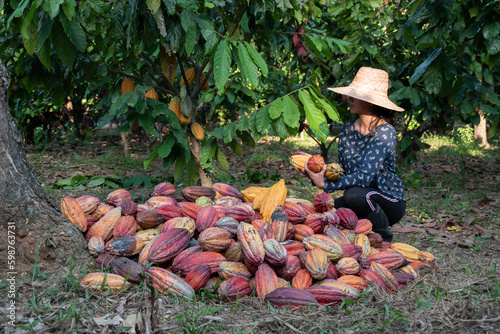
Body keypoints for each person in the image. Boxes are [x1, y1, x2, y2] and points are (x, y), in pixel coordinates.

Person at [297, 67, 406, 242]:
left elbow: (364, 178)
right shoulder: (347, 130)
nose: (350, 98)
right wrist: (318, 172)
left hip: (389, 200)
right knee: (324, 212)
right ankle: (358, 236)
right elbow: (342, 172)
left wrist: (324, 184)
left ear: (371, 101)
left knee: (354, 195)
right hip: (358, 197)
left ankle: (383, 239)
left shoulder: (385, 131)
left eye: (357, 94)